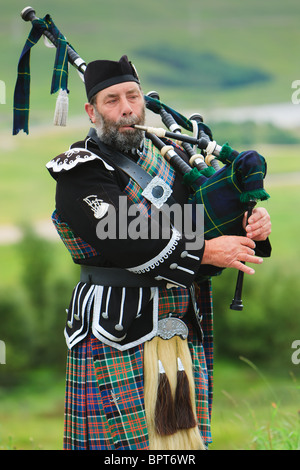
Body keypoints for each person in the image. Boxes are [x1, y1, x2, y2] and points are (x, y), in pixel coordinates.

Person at [46, 55, 271, 450]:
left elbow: (205, 214)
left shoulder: (169, 156)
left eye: (133, 96)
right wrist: (204, 251)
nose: (127, 108)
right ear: (91, 111)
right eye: (112, 100)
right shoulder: (80, 169)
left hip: (181, 319)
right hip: (115, 327)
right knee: (121, 446)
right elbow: (124, 236)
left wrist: (249, 219)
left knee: (181, 446)